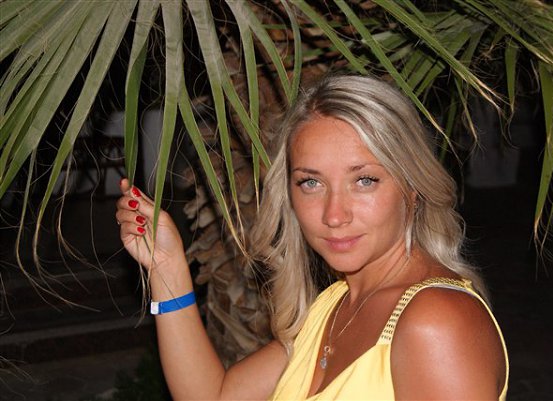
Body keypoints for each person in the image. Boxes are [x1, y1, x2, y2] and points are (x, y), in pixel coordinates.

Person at [116, 74, 509, 400]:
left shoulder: (437, 322)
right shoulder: (334, 304)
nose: (334, 215)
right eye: (311, 183)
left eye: (364, 180)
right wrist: (166, 268)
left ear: (413, 186)